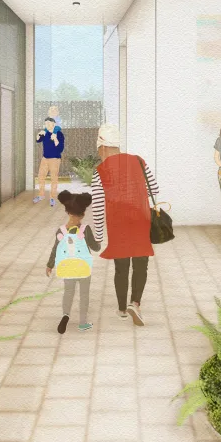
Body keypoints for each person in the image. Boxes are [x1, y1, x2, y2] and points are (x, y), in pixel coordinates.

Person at [90, 124, 159, 326]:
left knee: (121, 268)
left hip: (118, 225)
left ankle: (121, 308)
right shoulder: (138, 161)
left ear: (102, 147)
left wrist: (99, 237)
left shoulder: (99, 171)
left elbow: (98, 208)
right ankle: (135, 303)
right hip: (140, 221)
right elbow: (154, 188)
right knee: (140, 266)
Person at [46, 191, 101, 333]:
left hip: (67, 268)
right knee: (84, 294)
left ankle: (65, 315)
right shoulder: (85, 229)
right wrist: (98, 242)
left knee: (68, 292)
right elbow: (95, 247)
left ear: (67, 212)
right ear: (82, 215)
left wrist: (50, 265)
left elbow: (55, 248)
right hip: (83, 268)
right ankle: (82, 322)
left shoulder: (61, 230)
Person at [34, 117, 65, 206]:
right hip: (45, 159)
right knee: (41, 177)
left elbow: (60, 149)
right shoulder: (45, 133)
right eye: (45, 123)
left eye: (48, 123)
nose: (47, 125)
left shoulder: (59, 134)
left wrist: (55, 139)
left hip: (55, 159)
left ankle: (52, 197)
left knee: (53, 179)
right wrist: (39, 134)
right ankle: (41, 195)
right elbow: (37, 140)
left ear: (53, 124)